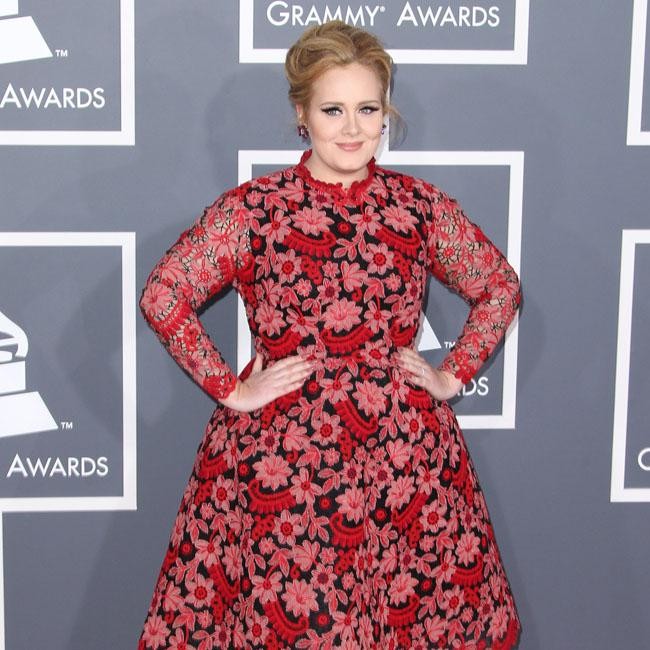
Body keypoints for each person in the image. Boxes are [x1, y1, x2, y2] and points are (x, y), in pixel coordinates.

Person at [138, 20, 522, 650]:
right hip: (286, 470)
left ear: (385, 112)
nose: (352, 129)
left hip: (403, 464)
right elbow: (164, 295)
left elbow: (499, 287)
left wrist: (452, 373)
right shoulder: (255, 210)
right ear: (302, 114)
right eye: (332, 109)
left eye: (367, 109)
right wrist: (232, 389)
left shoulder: (417, 207)